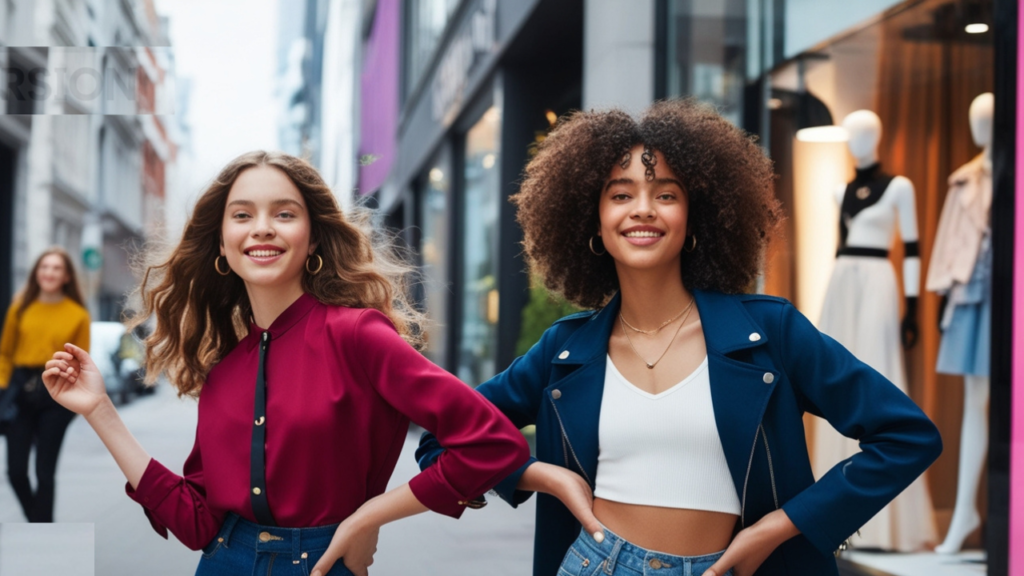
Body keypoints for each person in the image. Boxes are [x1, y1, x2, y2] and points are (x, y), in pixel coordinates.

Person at [417, 100, 943, 576]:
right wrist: (543, 477)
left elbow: (906, 436)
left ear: (694, 219)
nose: (643, 209)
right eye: (620, 194)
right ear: (593, 222)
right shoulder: (563, 350)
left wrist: (781, 527)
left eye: (665, 194)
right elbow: (445, 437)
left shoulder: (771, 332)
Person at [42, 151, 530, 576]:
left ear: (313, 238)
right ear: (220, 242)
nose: (262, 228)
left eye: (284, 213)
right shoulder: (225, 368)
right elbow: (196, 524)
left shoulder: (358, 335)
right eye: (242, 215)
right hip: (222, 562)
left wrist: (370, 516)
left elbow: (491, 444)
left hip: (324, 565)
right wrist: (99, 410)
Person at [0, 247, 90, 522]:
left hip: (57, 396)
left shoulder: (78, 315)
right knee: (15, 472)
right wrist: (3, 390)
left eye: (56, 268)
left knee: (45, 473)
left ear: (66, 277)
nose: (49, 273)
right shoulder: (20, 308)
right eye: (44, 267)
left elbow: (80, 362)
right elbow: (5, 353)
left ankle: (43, 535)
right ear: (37, 273)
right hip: (20, 391)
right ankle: (38, 523)